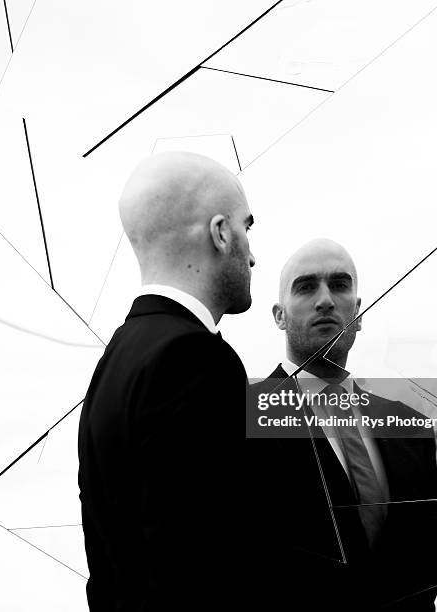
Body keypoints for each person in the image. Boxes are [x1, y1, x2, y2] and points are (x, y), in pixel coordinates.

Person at [78, 151, 255, 612]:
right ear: (220, 233)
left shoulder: (117, 358)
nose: (252, 255)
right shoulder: (198, 362)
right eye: (246, 228)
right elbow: (204, 570)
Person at [249, 239, 437, 611]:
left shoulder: (410, 427)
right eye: (306, 287)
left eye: (339, 285)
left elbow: (424, 569)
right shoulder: (241, 419)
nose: (325, 300)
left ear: (358, 310)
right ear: (279, 315)